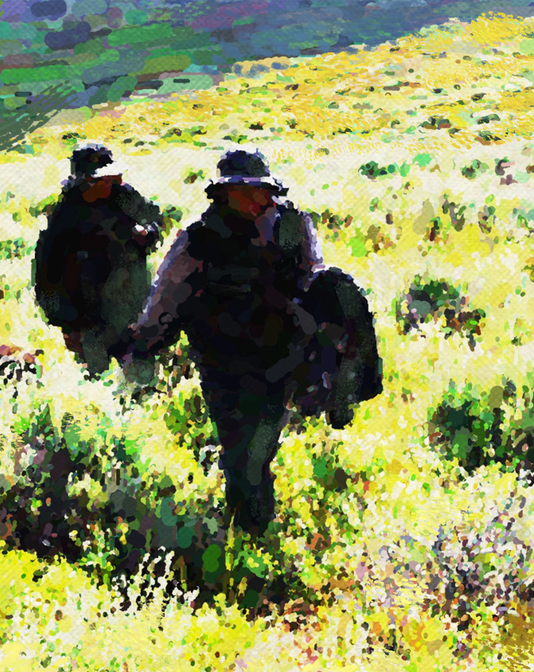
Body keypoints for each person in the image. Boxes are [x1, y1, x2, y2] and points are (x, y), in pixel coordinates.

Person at [120, 149, 381, 541]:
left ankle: (341, 393)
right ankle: (250, 536)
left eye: (256, 189)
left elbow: (313, 278)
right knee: (245, 456)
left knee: (340, 288)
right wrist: (143, 343)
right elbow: (167, 297)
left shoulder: (292, 225)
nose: (251, 197)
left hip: (286, 349)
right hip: (228, 360)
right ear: (223, 194)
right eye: (240, 189)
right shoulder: (199, 240)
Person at [33, 143, 163, 377]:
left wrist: (146, 233)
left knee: (139, 368)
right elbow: (48, 276)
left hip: (131, 304)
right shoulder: (66, 214)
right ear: (83, 181)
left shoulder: (124, 196)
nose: (106, 184)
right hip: (86, 314)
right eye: (98, 180)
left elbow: (154, 222)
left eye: (109, 178)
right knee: (97, 374)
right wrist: (66, 324)